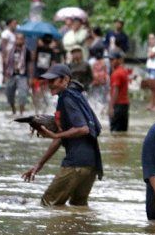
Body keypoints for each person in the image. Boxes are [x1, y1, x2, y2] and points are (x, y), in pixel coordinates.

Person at [22, 64, 103, 207]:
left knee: (47, 204)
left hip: (76, 163)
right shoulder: (76, 95)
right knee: (79, 208)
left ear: (65, 79)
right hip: (91, 164)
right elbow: (61, 137)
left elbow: (83, 129)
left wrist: (53, 135)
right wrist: (39, 165)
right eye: (48, 81)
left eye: (52, 81)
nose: (49, 85)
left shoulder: (67, 98)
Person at [3, 33, 31, 115]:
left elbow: (30, 65)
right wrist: (4, 75)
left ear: (24, 40)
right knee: (9, 93)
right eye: (17, 38)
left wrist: (30, 77)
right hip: (11, 74)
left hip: (23, 75)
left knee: (22, 94)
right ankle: (13, 110)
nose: (19, 40)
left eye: (21, 39)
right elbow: (6, 63)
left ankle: (21, 113)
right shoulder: (10, 50)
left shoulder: (27, 51)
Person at [109, 50, 130, 132]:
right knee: (122, 132)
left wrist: (111, 107)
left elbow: (115, 90)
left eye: (112, 59)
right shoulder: (123, 71)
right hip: (125, 105)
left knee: (114, 132)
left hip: (118, 105)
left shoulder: (116, 73)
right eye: (110, 60)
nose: (110, 62)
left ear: (119, 60)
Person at [143, 33, 155, 112]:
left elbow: (151, 55)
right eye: (149, 38)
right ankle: (152, 103)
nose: (150, 40)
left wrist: (150, 49)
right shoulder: (151, 47)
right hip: (149, 68)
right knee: (151, 88)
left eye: (152, 38)